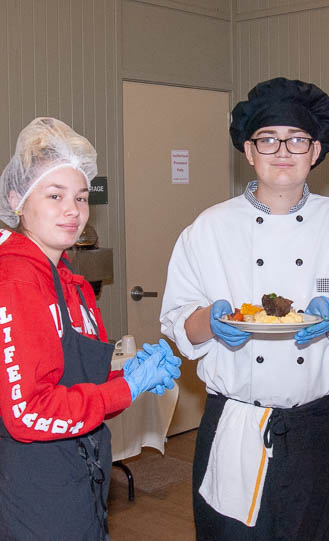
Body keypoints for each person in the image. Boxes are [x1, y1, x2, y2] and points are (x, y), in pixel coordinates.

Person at [160, 77, 329, 540]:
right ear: (248, 151)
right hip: (234, 426)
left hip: (314, 430)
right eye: (268, 139)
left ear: (315, 151)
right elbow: (177, 317)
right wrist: (213, 321)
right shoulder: (210, 228)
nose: (282, 150)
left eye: (296, 140)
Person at [0, 117, 182, 540]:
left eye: (81, 197)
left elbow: (76, 381)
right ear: (17, 200)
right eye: (55, 195)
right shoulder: (16, 281)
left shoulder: (70, 282)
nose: (73, 211)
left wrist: (128, 375)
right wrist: (126, 388)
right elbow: (28, 413)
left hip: (82, 471)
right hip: (37, 488)